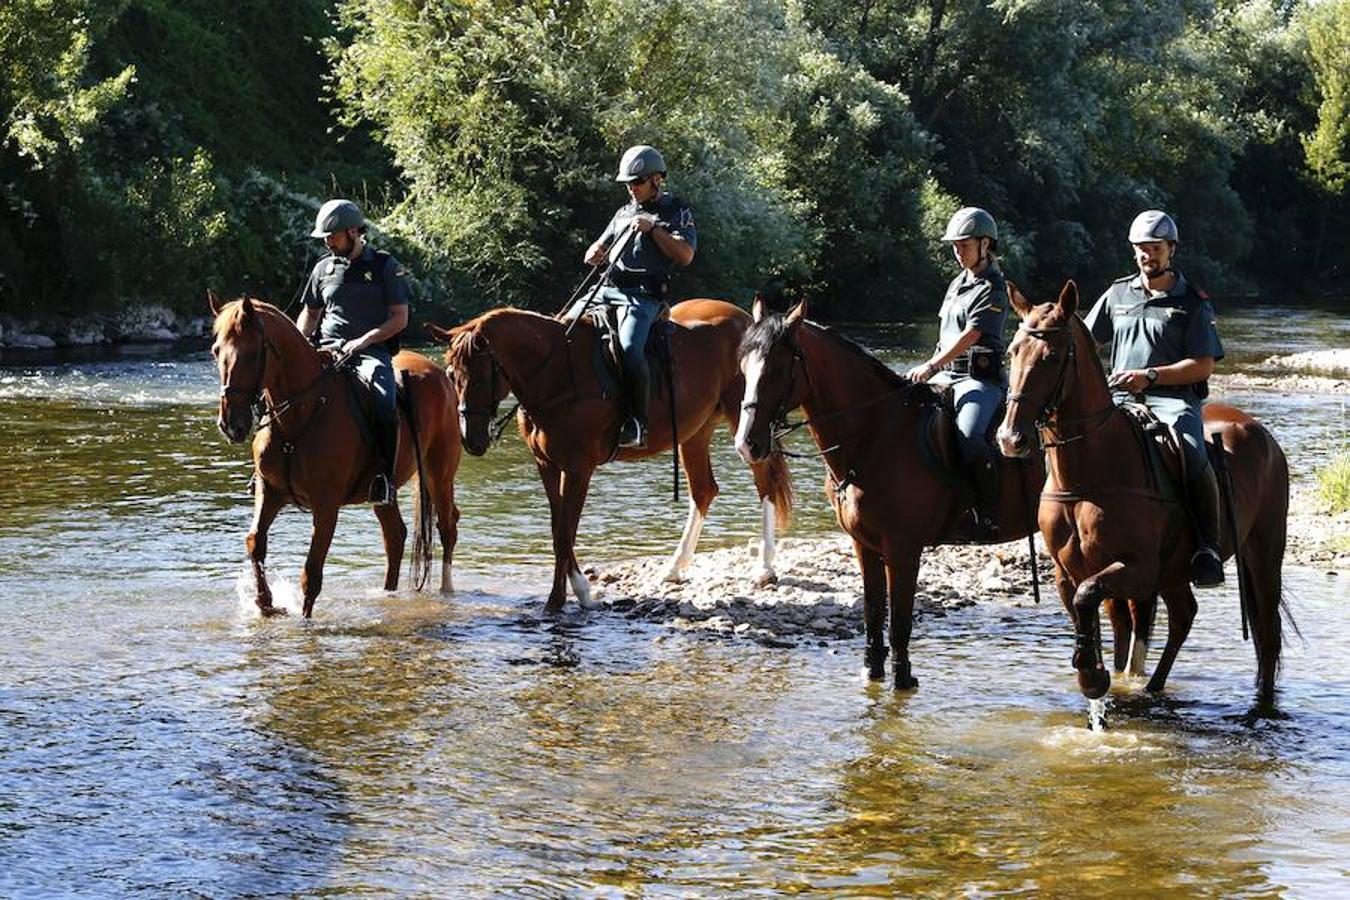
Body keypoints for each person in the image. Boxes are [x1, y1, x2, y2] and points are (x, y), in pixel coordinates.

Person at [1082, 209, 1226, 587]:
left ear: (1171, 249)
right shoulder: (1117, 294)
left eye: (1155, 248)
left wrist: (1149, 376)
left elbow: (1202, 365)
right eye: (1141, 249)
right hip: (1119, 398)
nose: (1148, 255)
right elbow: (1083, 343)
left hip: (1172, 400)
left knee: (1191, 450)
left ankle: (1207, 547)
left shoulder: (1192, 301)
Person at [564, 145, 696, 448]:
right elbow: (596, 248)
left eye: (636, 182)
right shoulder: (623, 213)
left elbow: (685, 255)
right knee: (564, 329)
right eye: (628, 183)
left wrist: (654, 230)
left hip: (644, 298)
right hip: (606, 290)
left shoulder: (676, 210)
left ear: (656, 179)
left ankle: (637, 421)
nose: (631, 188)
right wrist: (594, 253)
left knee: (628, 347)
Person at [296, 198, 411, 506]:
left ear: (352, 232)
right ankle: (273, 470)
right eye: (325, 238)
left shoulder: (385, 266)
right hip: (325, 351)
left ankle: (384, 478)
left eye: (332, 237)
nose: (328, 243)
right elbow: (310, 313)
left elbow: (400, 318)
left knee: (384, 400)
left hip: (369, 354)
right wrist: (298, 343)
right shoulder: (323, 269)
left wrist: (364, 340)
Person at [906, 207, 1010, 538]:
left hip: (979, 380)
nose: (957, 251)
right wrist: (929, 366)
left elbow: (971, 336)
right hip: (944, 374)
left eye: (964, 245)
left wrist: (932, 366)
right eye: (955, 245)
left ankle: (987, 512)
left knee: (970, 435)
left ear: (985, 244)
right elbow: (946, 335)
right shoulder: (957, 283)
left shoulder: (993, 287)